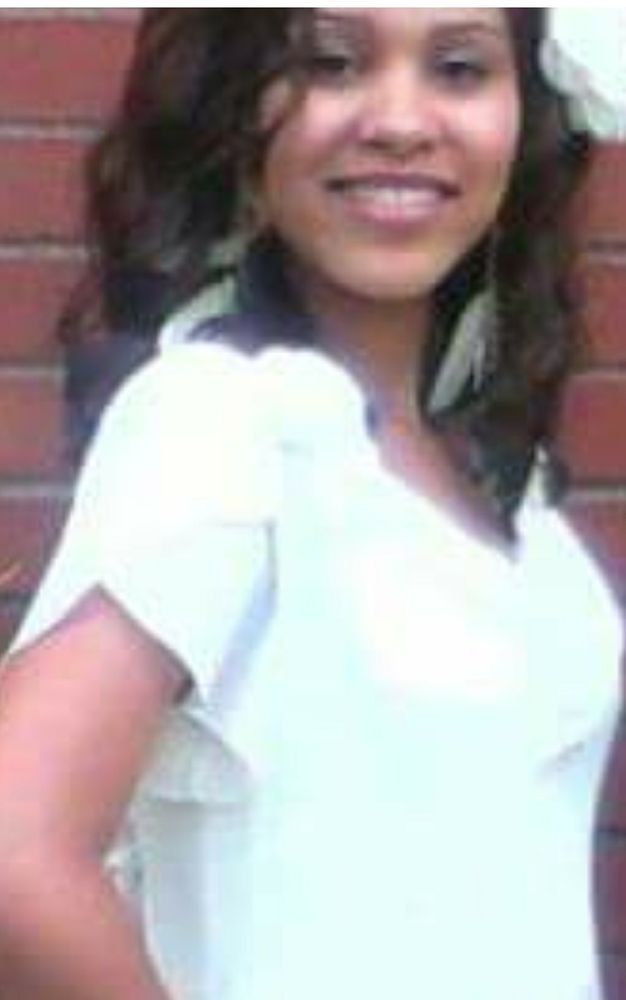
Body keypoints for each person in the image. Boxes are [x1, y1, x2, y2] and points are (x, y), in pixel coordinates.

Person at [0, 9, 624, 1000]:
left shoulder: (496, 480)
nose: (399, 121)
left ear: (526, 117)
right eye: (330, 63)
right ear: (234, 111)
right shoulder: (225, 419)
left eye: (459, 68)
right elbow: (15, 858)